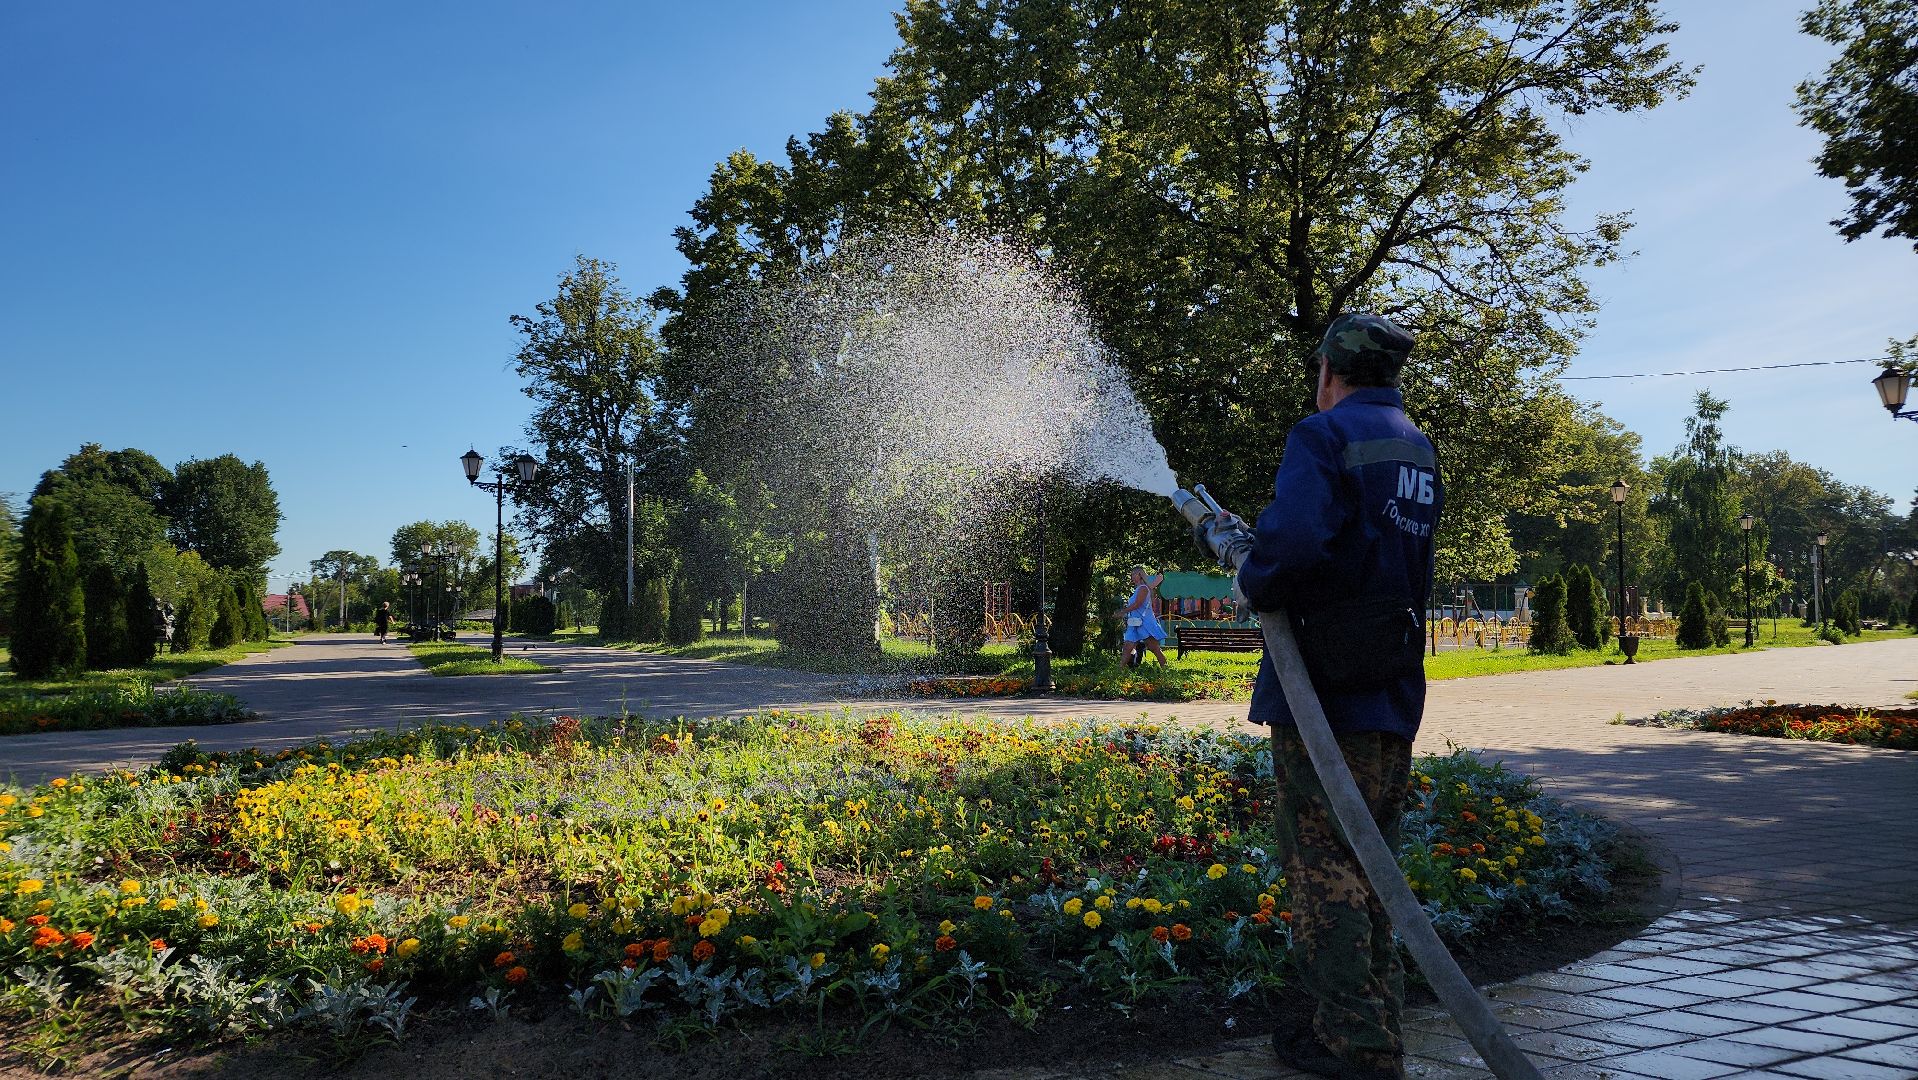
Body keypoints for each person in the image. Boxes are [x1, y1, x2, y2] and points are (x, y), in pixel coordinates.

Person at [1234, 313, 1441, 1080]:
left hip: (1325, 694)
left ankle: (1354, 1046)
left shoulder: (1322, 437)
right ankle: (1371, 1028)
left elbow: (1293, 545)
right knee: (1375, 870)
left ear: (1329, 370)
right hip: (1390, 689)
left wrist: (1249, 575)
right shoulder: (1415, 447)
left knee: (1324, 871)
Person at [1119, 566, 1169, 667]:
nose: (1131, 576)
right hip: (1134, 623)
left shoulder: (1143, 588)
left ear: (1140, 575)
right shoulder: (1138, 589)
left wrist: (1122, 611)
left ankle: (1165, 668)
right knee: (1127, 648)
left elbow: (1137, 604)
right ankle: (1119, 671)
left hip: (1144, 624)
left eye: (1134, 574)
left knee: (1154, 648)